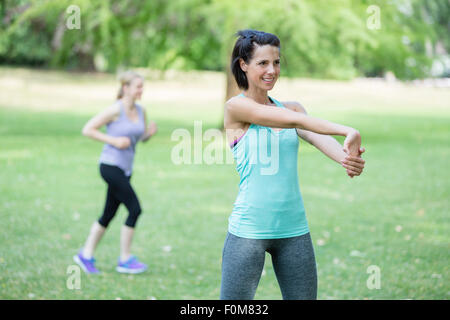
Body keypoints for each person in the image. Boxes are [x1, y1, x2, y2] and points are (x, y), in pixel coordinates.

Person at [221, 29, 366, 299]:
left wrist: (349, 159)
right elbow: (297, 122)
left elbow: (317, 136)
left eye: (276, 62)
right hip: (249, 230)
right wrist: (347, 129)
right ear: (243, 64)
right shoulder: (236, 108)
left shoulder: (294, 108)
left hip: (294, 230)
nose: (272, 70)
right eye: (262, 63)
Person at [74, 70, 157, 274]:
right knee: (135, 209)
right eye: (138, 86)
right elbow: (88, 129)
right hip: (110, 166)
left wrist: (148, 134)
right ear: (125, 88)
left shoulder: (141, 111)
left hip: (126, 169)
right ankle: (125, 259)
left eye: (142, 86)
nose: (141, 90)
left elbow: (137, 138)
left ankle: (85, 255)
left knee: (108, 214)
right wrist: (114, 141)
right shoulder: (114, 110)